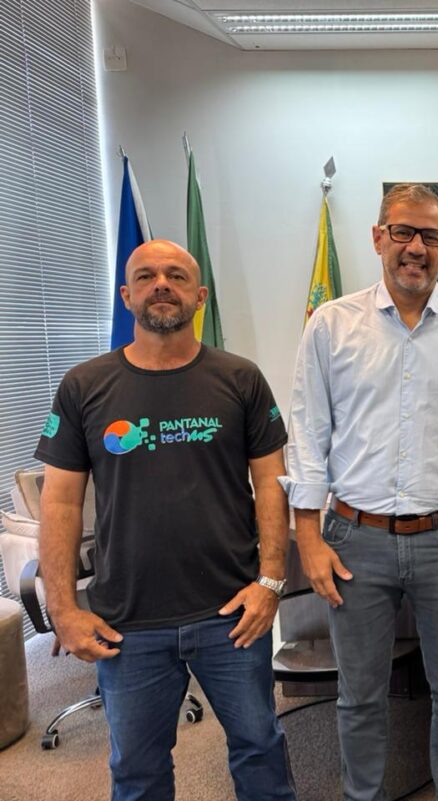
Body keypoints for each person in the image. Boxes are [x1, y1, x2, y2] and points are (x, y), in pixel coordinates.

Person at [283, 183, 438, 801]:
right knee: (360, 695)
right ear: (379, 238)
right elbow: (308, 433)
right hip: (354, 540)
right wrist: (307, 537)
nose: (416, 247)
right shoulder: (331, 326)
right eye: (403, 232)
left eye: (430, 236)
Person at [36, 239, 296, 801]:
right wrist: (62, 609)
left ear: (199, 297)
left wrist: (271, 582)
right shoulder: (84, 386)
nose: (161, 284)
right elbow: (59, 504)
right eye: (146, 275)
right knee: (138, 772)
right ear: (125, 295)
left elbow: (273, 484)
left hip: (232, 613)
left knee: (260, 751)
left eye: (176, 275)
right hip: (127, 622)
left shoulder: (241, 378)